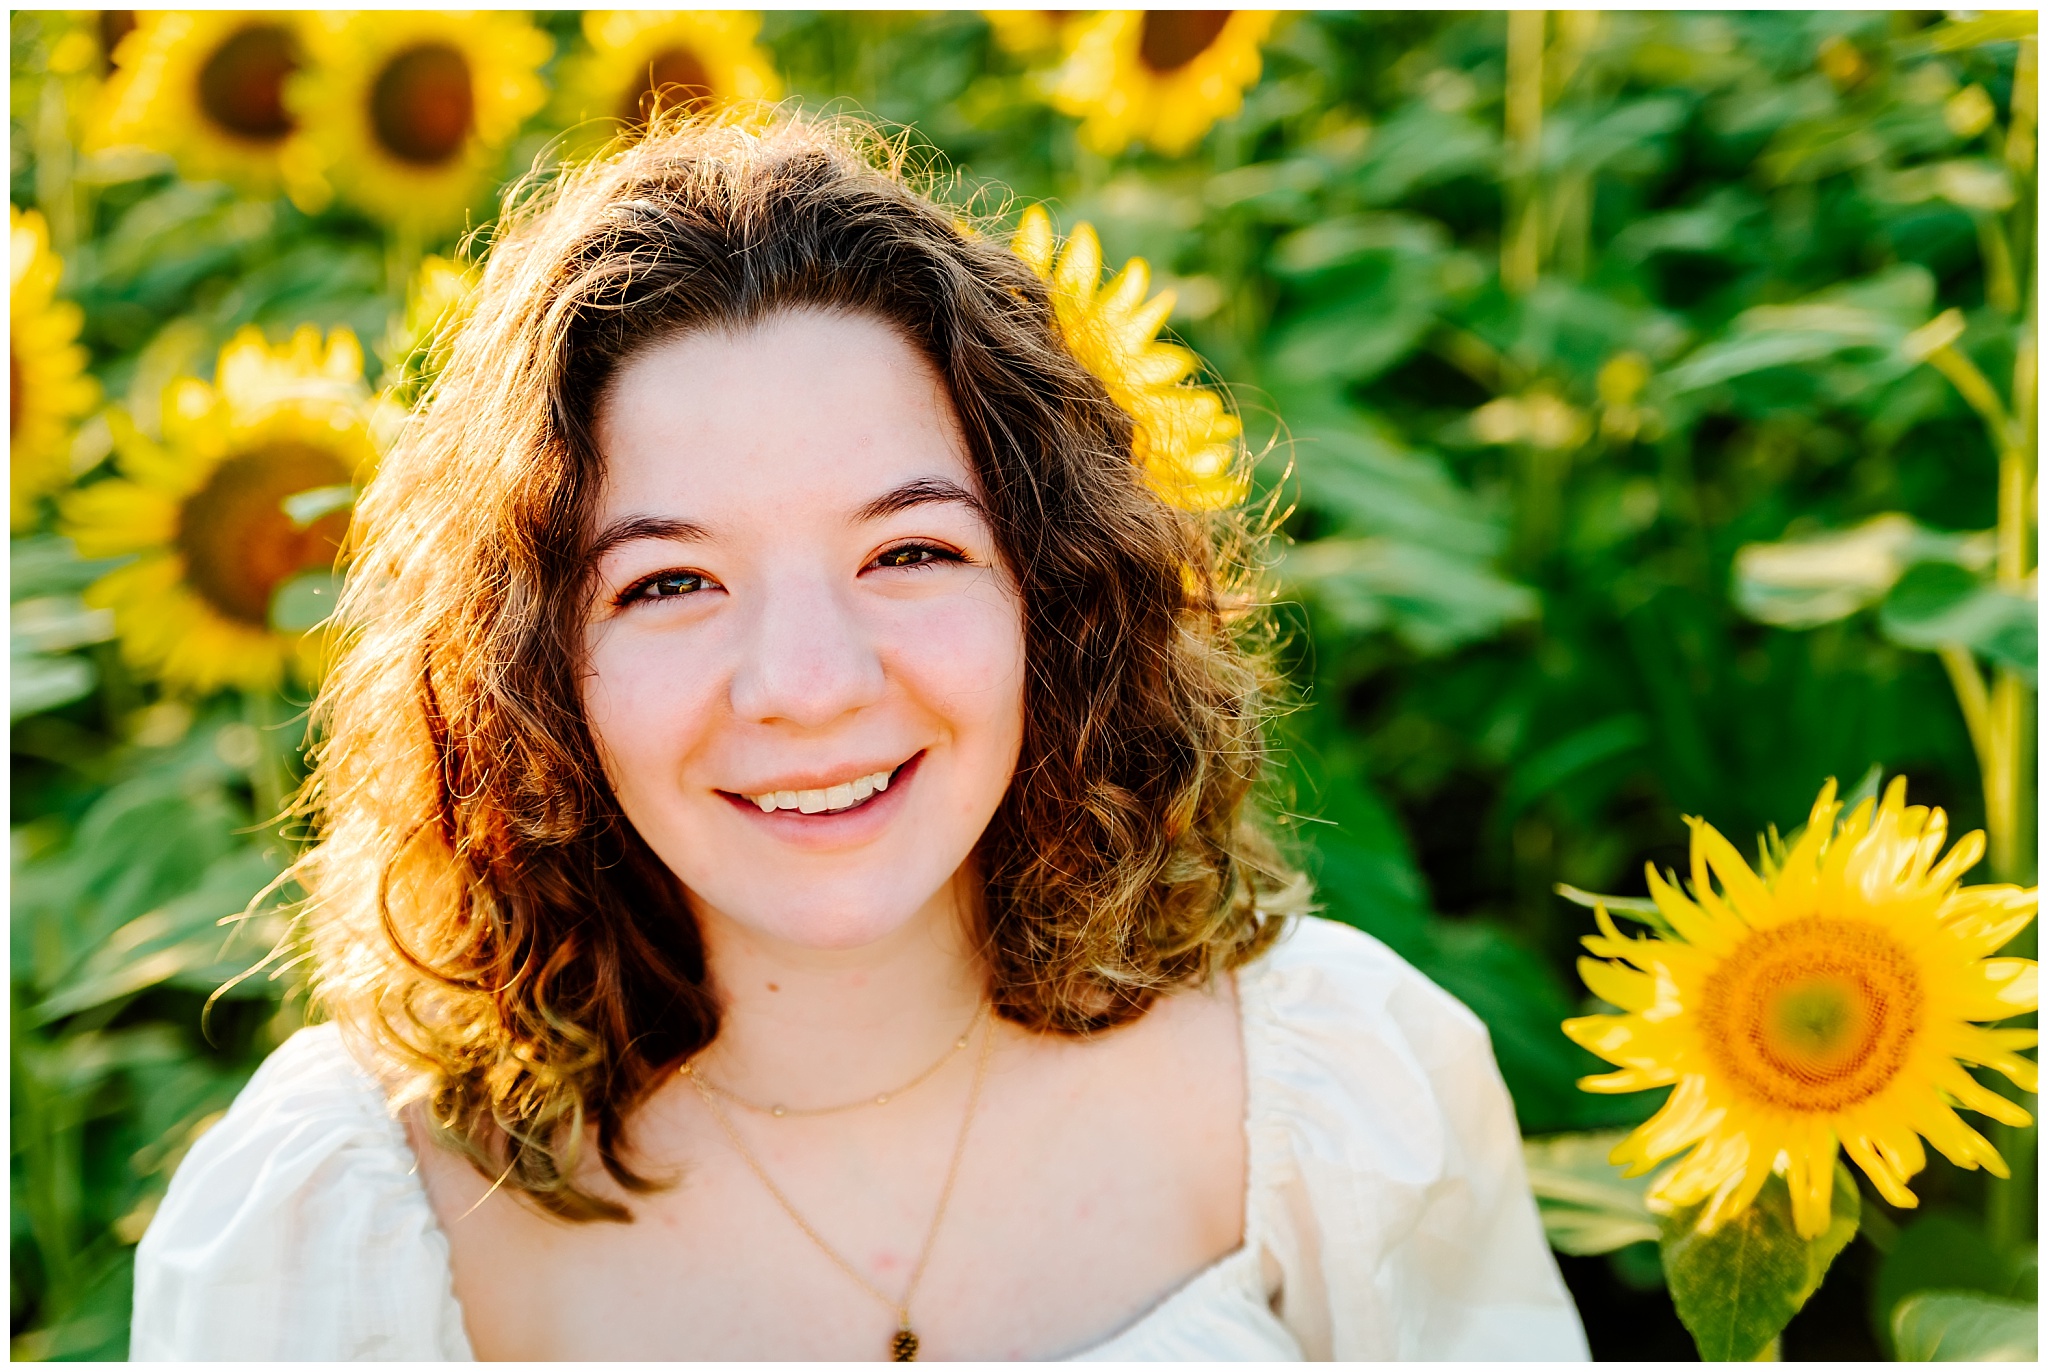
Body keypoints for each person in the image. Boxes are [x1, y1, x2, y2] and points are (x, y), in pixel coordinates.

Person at [130, 114, 1587, 1362]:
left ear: (1054, 593)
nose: (808, 685)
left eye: (909, 552)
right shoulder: (344, 1226)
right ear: (528, 672)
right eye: (670, 583)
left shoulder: (1331, 1101)